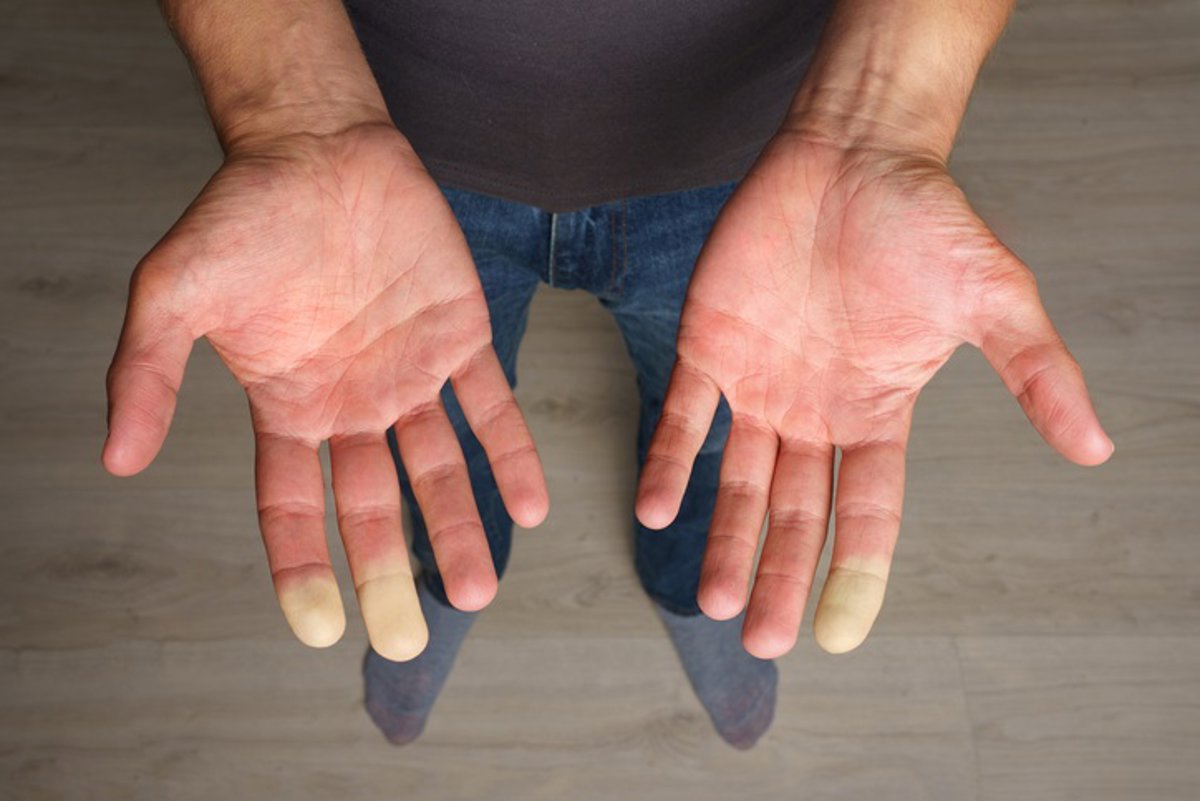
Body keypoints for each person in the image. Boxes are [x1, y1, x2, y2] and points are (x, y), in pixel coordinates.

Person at [101, 0, 1114, 749]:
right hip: (393, 149)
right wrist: (294, 109)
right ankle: (446, 579)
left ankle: (690, 592)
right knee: (423, 422)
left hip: (763, 160)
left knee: (726, 427)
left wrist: (877, 120)